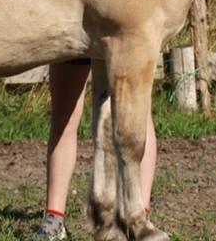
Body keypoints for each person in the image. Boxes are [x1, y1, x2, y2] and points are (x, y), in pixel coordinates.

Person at [33, 59, 157, 240]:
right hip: (75, 37)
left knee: (138, 117)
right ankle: (54, 219)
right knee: (63, 115)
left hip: (122, 36)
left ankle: (139, 220)